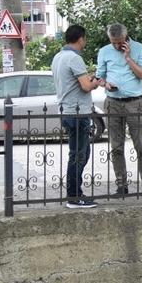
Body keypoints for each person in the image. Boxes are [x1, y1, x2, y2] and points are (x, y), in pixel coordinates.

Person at [96, 23, 142, 198]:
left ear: (126, 37)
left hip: (134, 102)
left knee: (141, 145)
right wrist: (105, 84)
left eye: (119, 42)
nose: (116, 45)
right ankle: (121, 185)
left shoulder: (140, 49)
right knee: (116, 147)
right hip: (113, 102)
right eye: (113, 42)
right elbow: (99, 76)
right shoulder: (104, 51)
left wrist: (128, 58)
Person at [52, 24, 100, 208]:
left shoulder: (58, 57)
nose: (85, 42)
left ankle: (75, 193)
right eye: (85, 39)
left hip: (66, 110)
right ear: (81, 39)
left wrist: (90, 79)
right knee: (79, 154)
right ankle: (74, 196)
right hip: (78, 112)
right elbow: (86, 86)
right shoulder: (74, 58)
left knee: (79, 152)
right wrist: (96, 82)